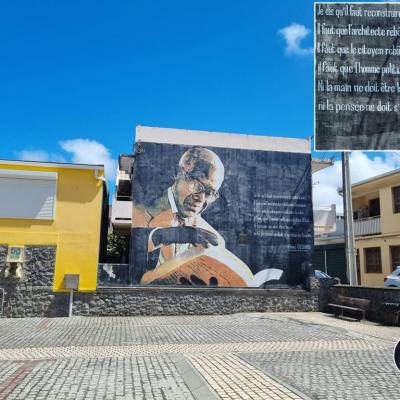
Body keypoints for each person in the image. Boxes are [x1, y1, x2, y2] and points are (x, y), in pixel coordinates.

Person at [130, 147, 226, 283]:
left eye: (209, 193)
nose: (201, 198)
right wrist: (162, 236)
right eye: (196, 185)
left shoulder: (215, 240)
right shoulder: (141, 210)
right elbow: (134, 250)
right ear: (177, 174)